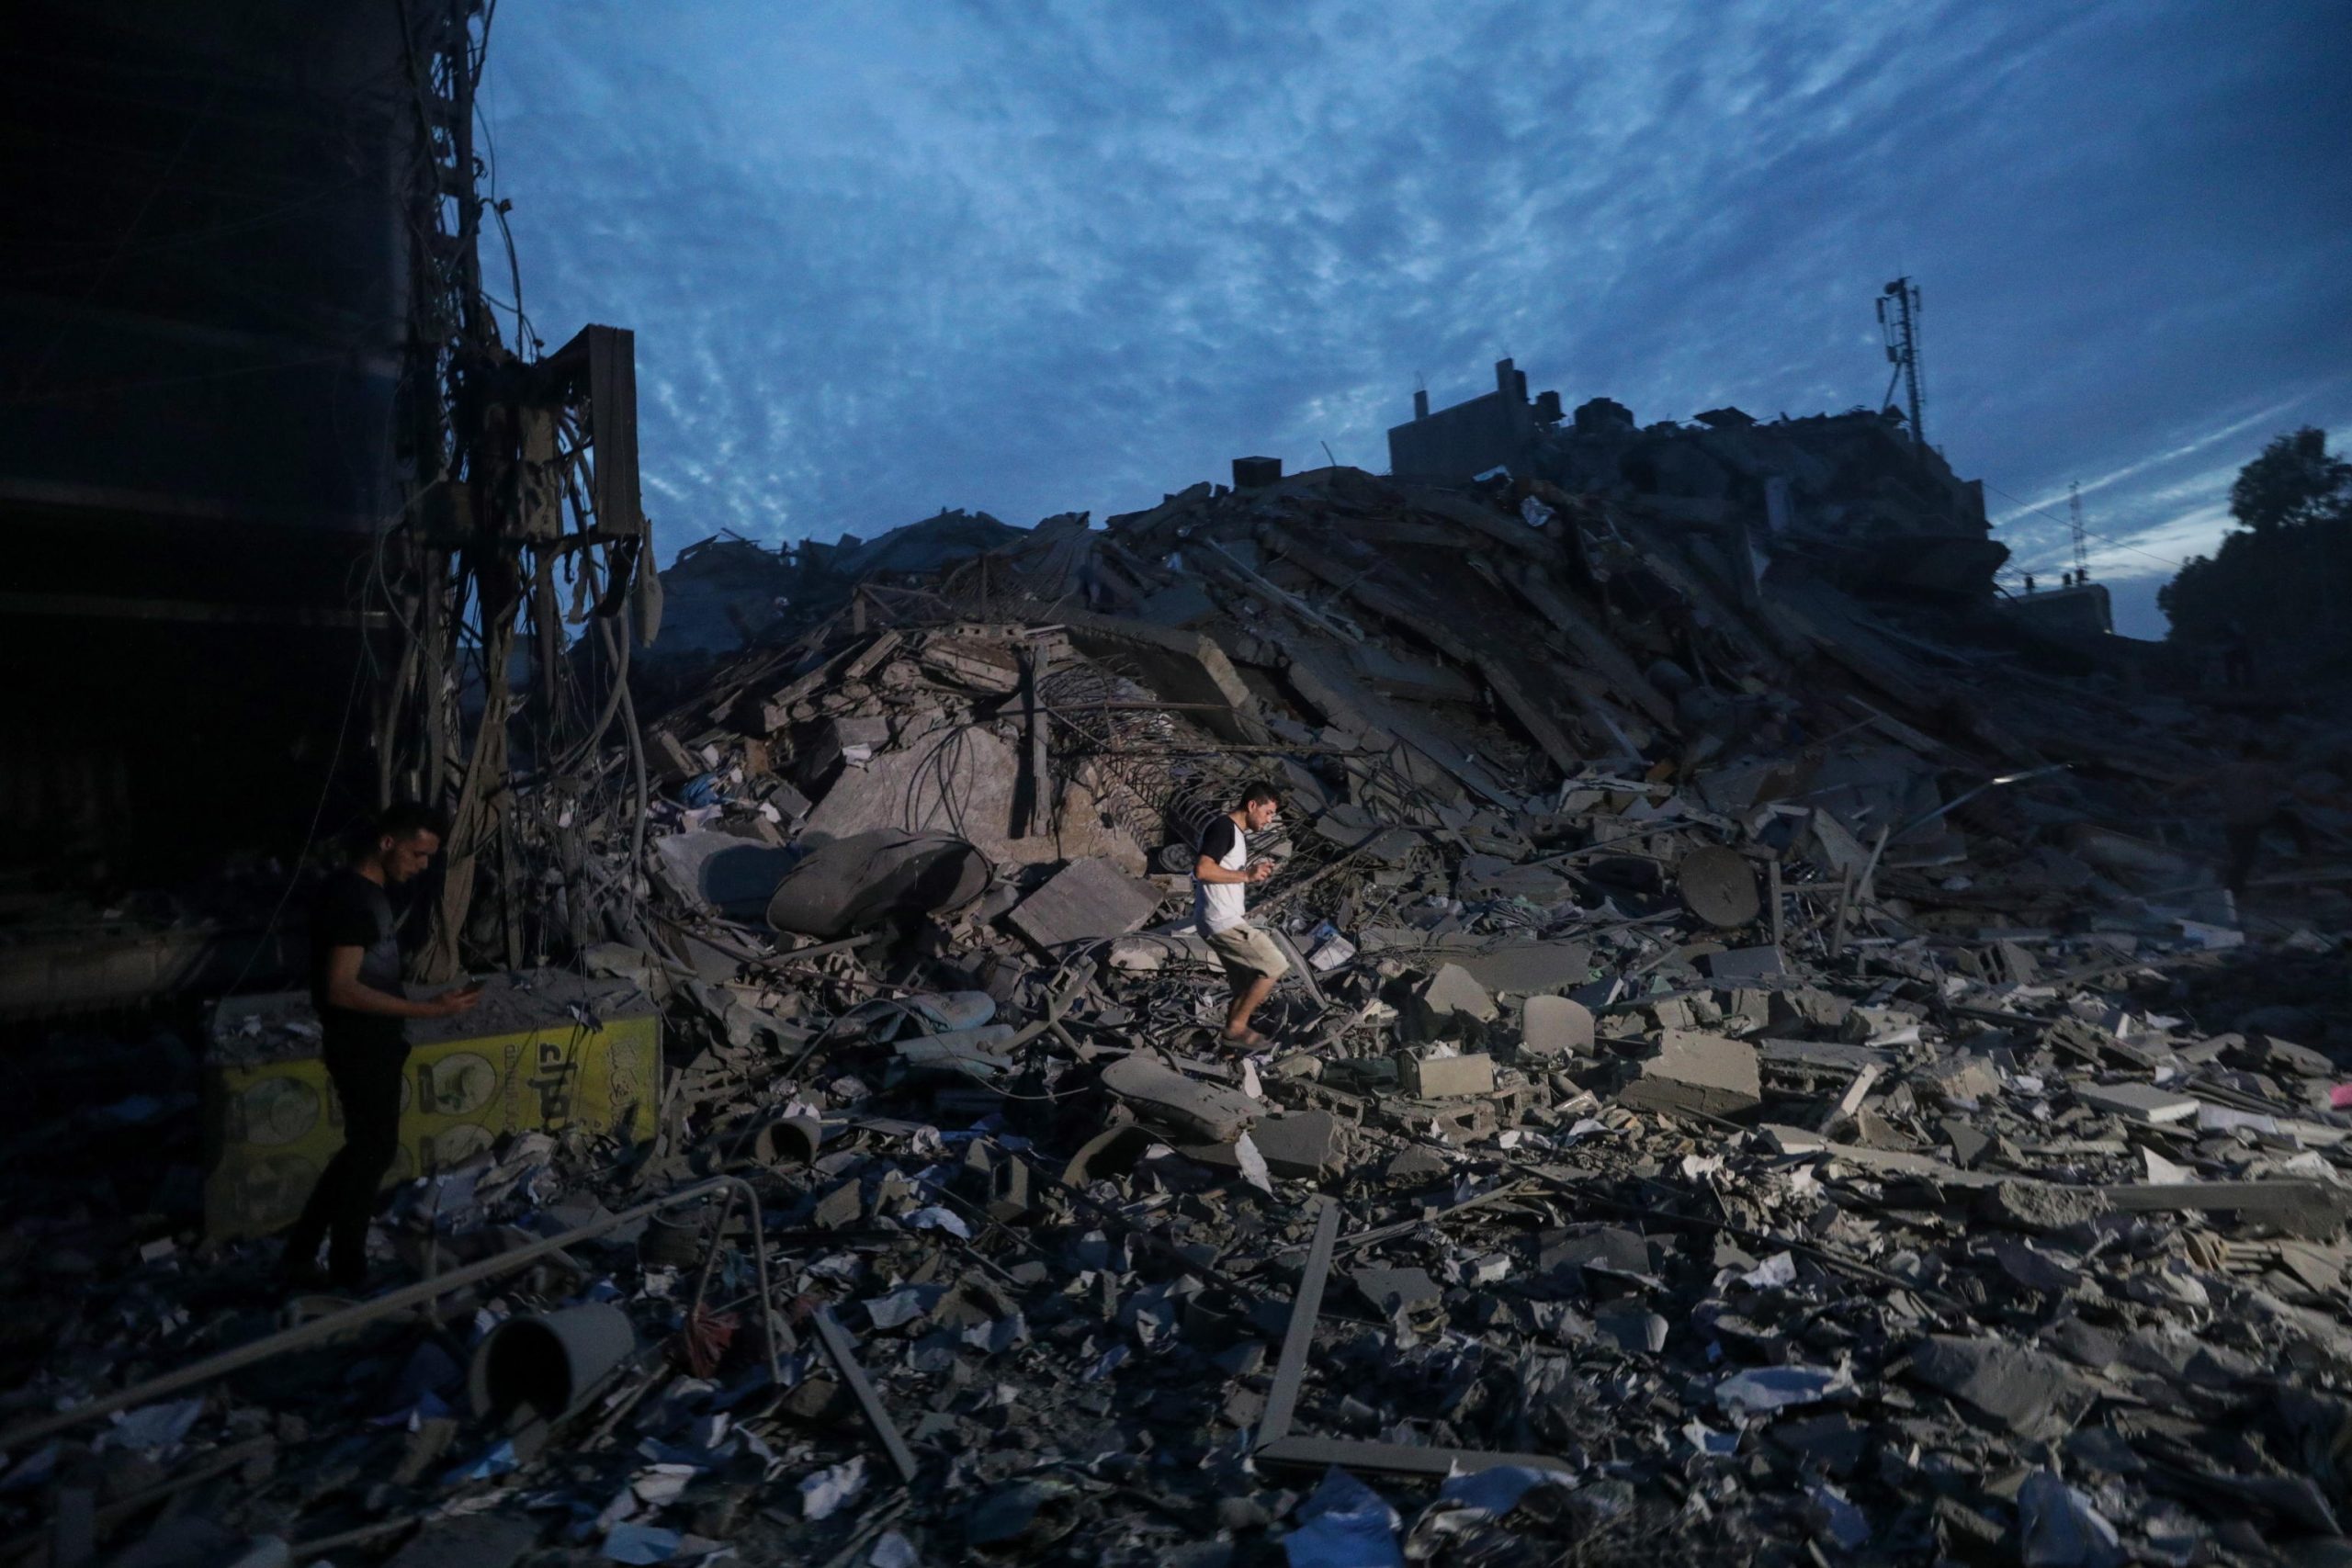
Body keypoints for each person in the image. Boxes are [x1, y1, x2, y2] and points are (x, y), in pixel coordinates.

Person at [281, 803, 480, 1291]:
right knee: (371, 1153)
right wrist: (432, 1012)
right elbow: (342, 987)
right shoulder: (353, 898)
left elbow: (370, 979)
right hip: (359, 1043)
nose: (422, 865)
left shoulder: (367, 895)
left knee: (364, 1152)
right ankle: (348, 1270)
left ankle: (302, 1253)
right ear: (387, 843)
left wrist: (429, 1000)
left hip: (373, 1041)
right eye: (417, 853)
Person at [1193, 783, 1288, 1047]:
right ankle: (1236, 1028)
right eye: (1268, 813)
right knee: (1274, 965)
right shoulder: (1223, 827)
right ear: (1252, 806)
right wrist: (1246, 875)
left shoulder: (1234, 833)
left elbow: (1220, 872)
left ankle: (1229, 1048)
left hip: (1218, 920)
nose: (1269, 820)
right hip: (1222, 921)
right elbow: (1202, 869)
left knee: (1247, 985)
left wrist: (1250, 874)